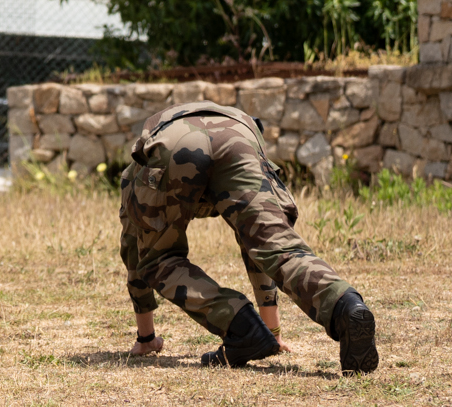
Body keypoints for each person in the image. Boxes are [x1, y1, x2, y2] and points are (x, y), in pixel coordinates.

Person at [118, 101, 378, 373]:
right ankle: (345, 306)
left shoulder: (134, 173)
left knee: (158, 260)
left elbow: (134, 250)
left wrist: (146, 338)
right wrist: (273, 330)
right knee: (274, 244)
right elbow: (257, 245)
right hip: (238, 135)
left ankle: (241, 328)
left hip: (174, 143)